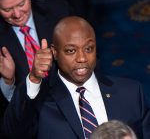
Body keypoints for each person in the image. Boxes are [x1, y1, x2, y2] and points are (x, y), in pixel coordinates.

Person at [3, 16, 150, 139]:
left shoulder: (131, 93)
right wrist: (34, 79)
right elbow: (13, 132)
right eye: (71, 50)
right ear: (54, 52)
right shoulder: (41, 104)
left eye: (88, 49)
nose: (81, 58)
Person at [0, 0, 69, 127]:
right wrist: (8, 81)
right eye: (7, 9)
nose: (17, 14)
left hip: (68, 102)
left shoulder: (59, 11)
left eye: (21, 4)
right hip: (28, 120)